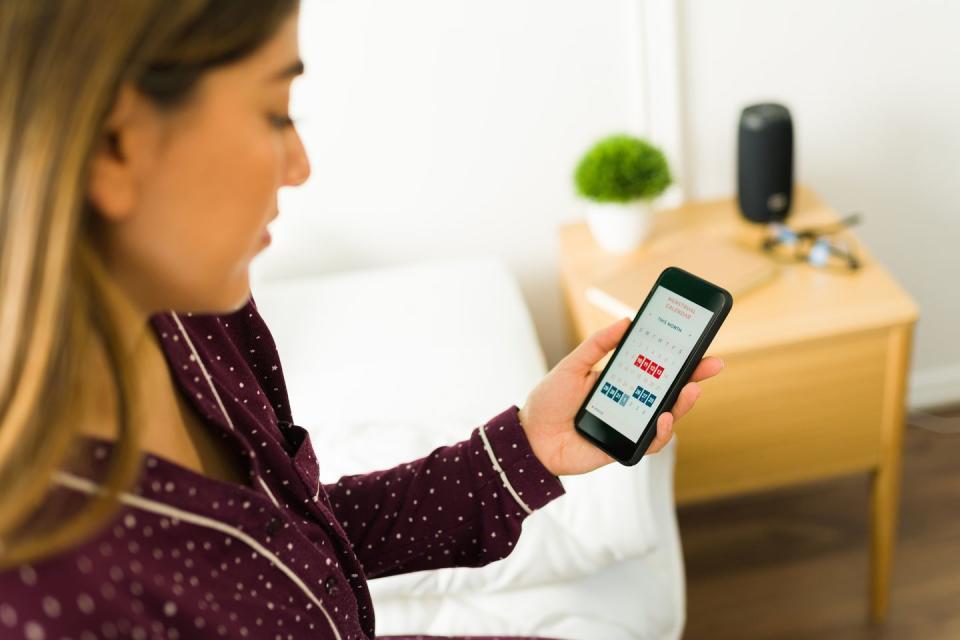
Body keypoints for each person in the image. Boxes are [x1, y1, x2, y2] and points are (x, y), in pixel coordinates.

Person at [0, 2, 724, 639]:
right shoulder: (46, 599)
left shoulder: (197, 315)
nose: (300, 165)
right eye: (275, 111)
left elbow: (295, 550)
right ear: (115, 145)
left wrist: (525, 450)